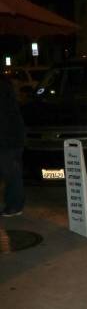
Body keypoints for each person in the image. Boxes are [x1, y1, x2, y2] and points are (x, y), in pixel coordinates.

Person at [0, 73, 25, 217]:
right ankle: (14, 204)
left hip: (8, 140)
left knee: (11, 173)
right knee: (11, 172)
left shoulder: (3, 89)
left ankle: (15, 206)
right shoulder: (5, 87)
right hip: (11, 139)